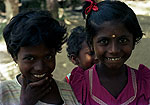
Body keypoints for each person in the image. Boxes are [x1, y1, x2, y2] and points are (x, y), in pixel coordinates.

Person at [70, 0, 150, 105]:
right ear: (91, 44)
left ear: (134, 41)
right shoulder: (80, 85)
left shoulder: (144, 84)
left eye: (123, 40)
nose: (114, 50)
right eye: (104, 41)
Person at [0, 10, 80, 105]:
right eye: (30, 58)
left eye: (48, 57)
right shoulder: (3, 93)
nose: (40, 67)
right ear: (15, 57)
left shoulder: (68, 91)